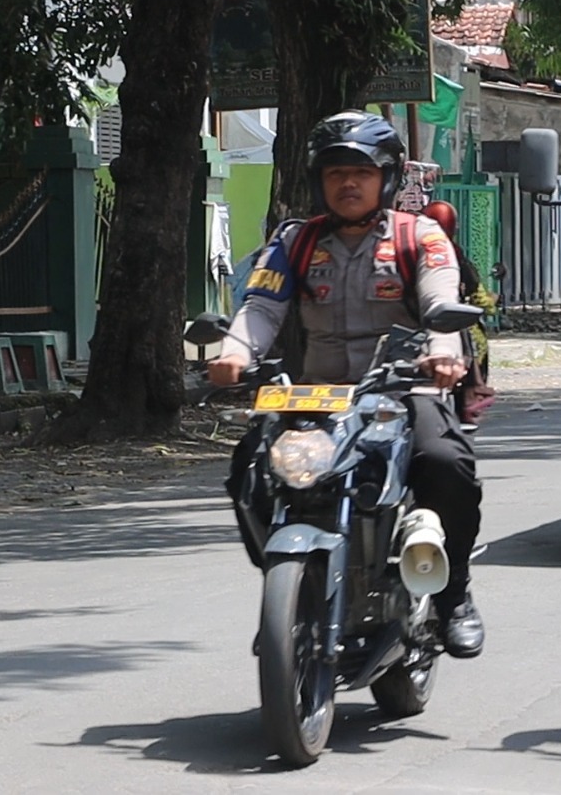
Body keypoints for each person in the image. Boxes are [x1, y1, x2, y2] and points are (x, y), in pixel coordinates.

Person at [208, 110, 486, 659]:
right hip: (315, 398)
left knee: (446, 463)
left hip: (402, 393)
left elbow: (439, 301)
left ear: (387, 178)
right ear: (318, 180)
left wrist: (442, 353)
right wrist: (235, 351)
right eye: (335, 173)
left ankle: (454, 597)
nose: (348, 183)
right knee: (249, 471)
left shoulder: (420, 236)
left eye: (361, 172)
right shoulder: (294, 241)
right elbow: (262, 305)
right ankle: (290, 590)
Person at [420, 200, 497, 424]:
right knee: (471, 336)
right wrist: (491, 303)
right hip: (453, 326)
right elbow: (481, 300)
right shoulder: (457, 257)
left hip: (416, 329)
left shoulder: (411, 250)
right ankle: (474, 389)